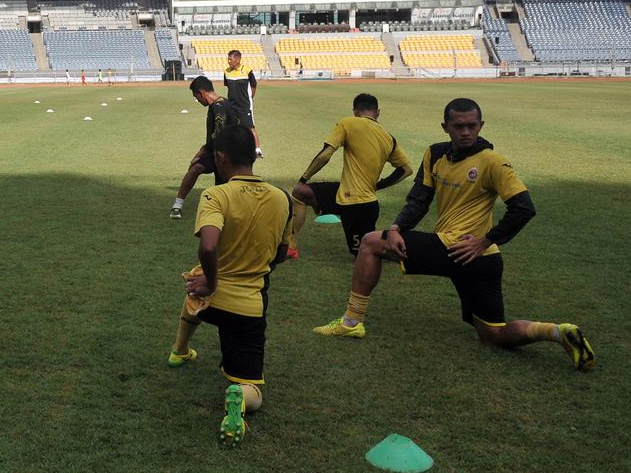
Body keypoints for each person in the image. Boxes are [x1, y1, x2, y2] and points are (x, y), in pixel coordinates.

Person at [313, 98, 596, 372]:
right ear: (445, 126)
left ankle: (351, 322)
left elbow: (523, 208)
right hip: (475, 258)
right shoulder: (435, 154)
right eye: (458, 126)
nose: (466, 132)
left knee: (371, 241)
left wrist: (485, 240)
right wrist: (398, 228)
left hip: (467, 250)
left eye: (472, 125)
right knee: (492, 334)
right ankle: (558, 332)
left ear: (481, 125)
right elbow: (419, 200)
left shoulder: (493, 162)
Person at [166, 125, 292, 446]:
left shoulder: (215, 195)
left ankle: (179, 350)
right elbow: (280, 253)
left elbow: (208, 247)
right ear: (253, 156)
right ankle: (239, 395)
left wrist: (210, 281)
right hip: (248, 309)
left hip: (210, 303)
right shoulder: (282, 199)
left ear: (221, 158)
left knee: (195, 278)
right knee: (252, 389)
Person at [291, 93, 412, 259]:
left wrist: (303, 178)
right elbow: (406, 169)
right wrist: (379, 185)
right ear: (377, 113)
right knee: (301, 192)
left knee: (367, 252)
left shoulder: (348, 123)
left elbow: (325, 154)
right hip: (360, 200)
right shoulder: (388, 137)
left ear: (355, 111)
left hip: (355, 206)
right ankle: (291, 246)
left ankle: (406, 248)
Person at [170, 75, 244, 220]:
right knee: (196, 168)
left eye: (197, 97)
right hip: (218, 152)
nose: (198, 101)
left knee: (220, 185)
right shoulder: (224, 103)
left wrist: (204, 150)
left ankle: (230, 212)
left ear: (202, 93)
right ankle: (177, 205)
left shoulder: (219, 107)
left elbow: (218, 133)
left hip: (224, 155)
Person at [223, 50, 263, 158]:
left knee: (250, 127)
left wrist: (250, 98)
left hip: (245, 105)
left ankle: (257, 149)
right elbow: (229, 87)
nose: (229, 61)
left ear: (238, 59)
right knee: (231, 126)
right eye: (228, 59)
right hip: (231, 105)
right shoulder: (226, 72)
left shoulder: (247, 70)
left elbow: (254, 85)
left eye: (230, 59)